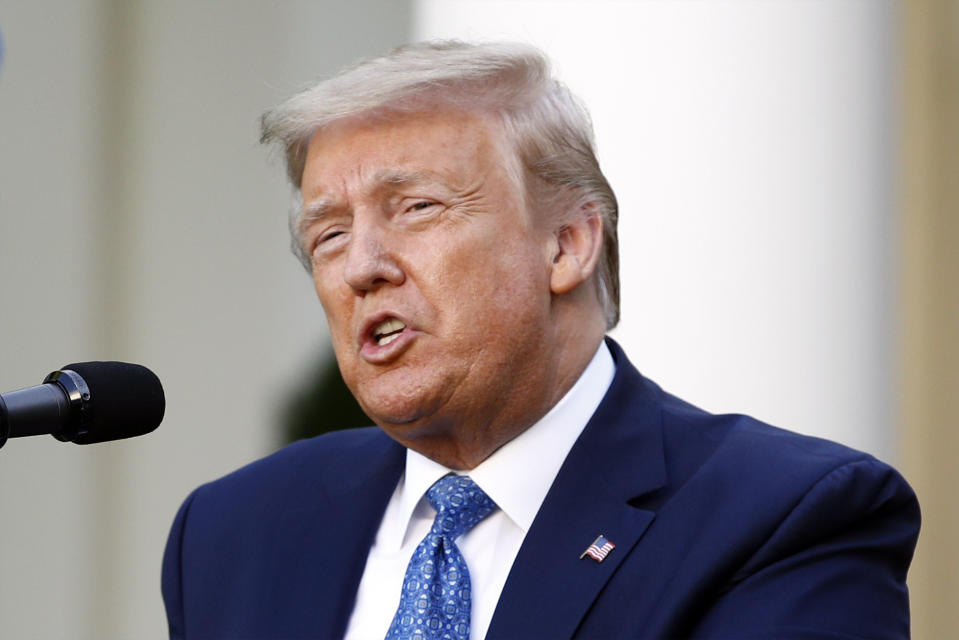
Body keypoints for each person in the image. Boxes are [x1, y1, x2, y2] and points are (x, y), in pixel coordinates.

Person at [161, 41, 919, 639]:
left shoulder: (781, 519)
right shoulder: (236, 531)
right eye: (328, 235)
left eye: (416, 208)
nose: (361, 266)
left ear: (566, 245)